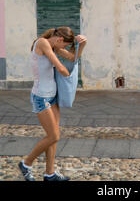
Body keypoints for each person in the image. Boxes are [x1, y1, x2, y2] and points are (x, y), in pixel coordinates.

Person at [18, 27, 87, 182]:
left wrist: (82, 45)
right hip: (41, 97)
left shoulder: (54, 45)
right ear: (59, 39)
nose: (62, 49)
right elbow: (60, 67)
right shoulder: (42, 43)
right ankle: (26, 163)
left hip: (52, 97)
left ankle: (50, 174)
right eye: (63, 46)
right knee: (54, 135)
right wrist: (70, 79)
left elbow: (72, 58)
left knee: (53, 137)